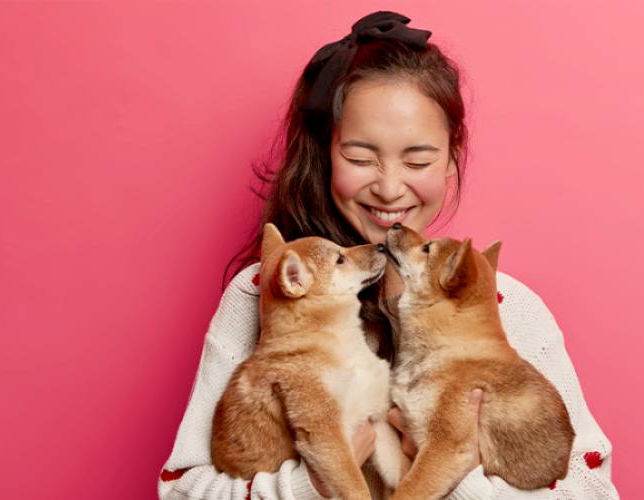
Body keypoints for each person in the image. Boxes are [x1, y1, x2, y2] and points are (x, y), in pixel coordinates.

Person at [158, 11, 619, 500]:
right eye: (359, 158)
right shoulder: (264, 293)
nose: (389, 186)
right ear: (325, 153)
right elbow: (181, 488)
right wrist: (314, 482)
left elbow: (592, 487)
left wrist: (456, 474)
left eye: (417, 160)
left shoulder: (509, 308)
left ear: (451, 157)